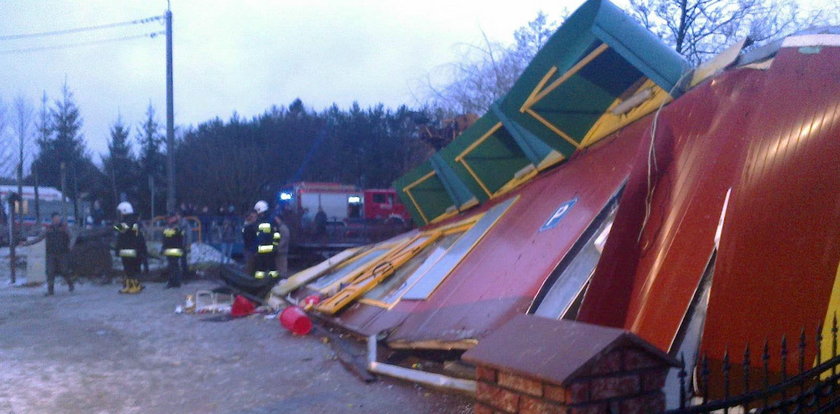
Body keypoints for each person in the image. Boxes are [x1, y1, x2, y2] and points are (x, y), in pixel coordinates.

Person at [21, 212, 74, 296]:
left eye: (58, 218)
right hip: (51, 254)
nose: (57, 220)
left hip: (63, 253)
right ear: (52, 219)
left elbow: (72, 237)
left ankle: (70, 284)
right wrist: (26, 243)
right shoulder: (48, 229)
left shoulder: (65, 228)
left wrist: (70, 246)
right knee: (50, 272)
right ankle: (50, 291)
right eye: (56, 218)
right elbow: (39, 238)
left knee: (64, 270)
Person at [114, 202, 145, 294]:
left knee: (131, 269)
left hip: (130, 250)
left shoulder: (131, 221)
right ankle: (129, 285)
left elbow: (119, 228)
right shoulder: (131, 221)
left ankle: (134, 286)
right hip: (128, 250)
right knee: (128, 269)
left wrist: (114, 227)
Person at [253, 200, 281, 279]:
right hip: (263, 249)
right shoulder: (260, 220)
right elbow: (258, 235)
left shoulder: (270, 220)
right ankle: (258, 283)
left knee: (271, 268)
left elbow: (276, 234)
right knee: (261, 269)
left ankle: (274, 282)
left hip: (269, 250)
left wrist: (275, 245)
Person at [161, 212, 185, 288]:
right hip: (171, 249)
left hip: (174, 248)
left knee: (173, 266)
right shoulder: (170, 227)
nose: (168, 219)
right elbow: (165, 238)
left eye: (169, 218)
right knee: (173, 266)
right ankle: (175, 282)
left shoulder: (176, 227)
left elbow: (176, 237)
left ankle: (174, 282)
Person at [175, 211, 193, 278]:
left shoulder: (184, 224)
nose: (176, 217)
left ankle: (185, 274)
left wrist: (188, 244)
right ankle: (183, 273)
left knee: (183, 260)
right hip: (180, 244)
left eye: (177, 215)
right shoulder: (180, 223)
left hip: (183, 244)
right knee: (181, 260)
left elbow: (188, 234)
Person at [274, 214, 291, 278]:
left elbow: (284, 239)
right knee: (279, 264)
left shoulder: (283, 228)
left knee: (282, 264)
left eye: (277, 219)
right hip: (280, 250)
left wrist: (278, 246)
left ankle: (283, 276)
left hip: (282, 250)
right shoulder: (280, 228)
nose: (276, 220)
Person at [242, 210, 258, 276]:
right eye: (252, 217)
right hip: (249, 249)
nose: (254, 218)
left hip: (251, 249)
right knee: (249, 265)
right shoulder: (248, 227)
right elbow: (248, 238)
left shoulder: (252, 226)